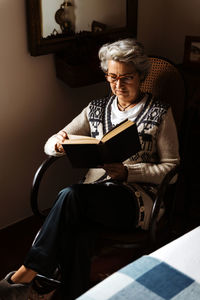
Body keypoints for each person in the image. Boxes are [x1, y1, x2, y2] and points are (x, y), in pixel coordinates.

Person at [0, 38, 180, 300]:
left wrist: (130, 172)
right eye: (112, 77)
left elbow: (171, 169)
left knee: (70, 197)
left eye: (127, 78)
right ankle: (72, 292)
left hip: (134, 200)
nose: (118, 85)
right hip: (92, 196)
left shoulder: (161, 113)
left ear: (141, 75)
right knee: (78, 223)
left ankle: (26, 275)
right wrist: (59, 145)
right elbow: (50, 143)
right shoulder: (95, 109)